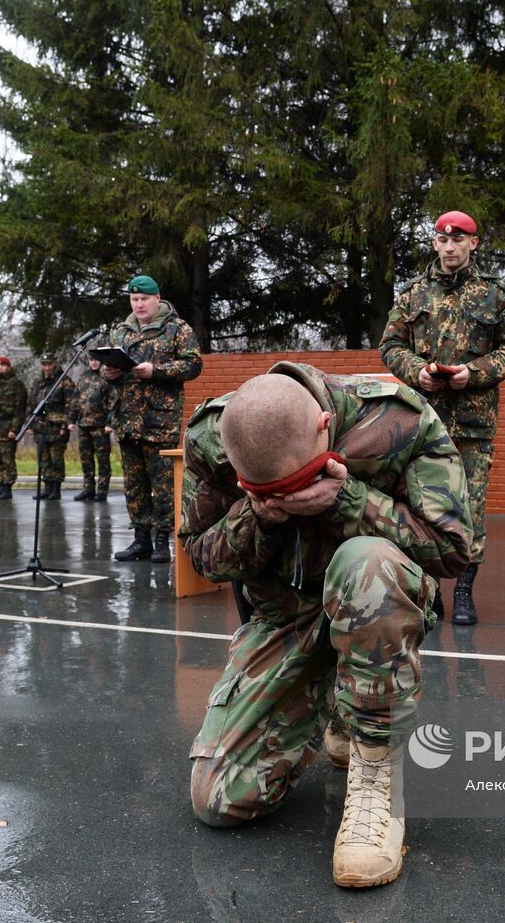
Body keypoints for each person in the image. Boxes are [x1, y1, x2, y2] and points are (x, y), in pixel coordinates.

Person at [181, 362, 470, 888]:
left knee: (368, 564)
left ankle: (376, 769)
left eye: (294, 482)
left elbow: (454, 550)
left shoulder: (394, 418)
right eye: (264, 488)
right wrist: (259, 516)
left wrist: (349, 500)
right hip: (283, 620)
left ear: (323, 425)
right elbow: (202, 557)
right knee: (220, 800)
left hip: (372, 605)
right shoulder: (210, 436)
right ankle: (335, 703)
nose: (284, 495)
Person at [379, 209, 505, 625]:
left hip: (474, 424)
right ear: (435, 243)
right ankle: (428, 592)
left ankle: (463, 592)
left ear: (473, 243)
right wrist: (416, 372)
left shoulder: (497, 294)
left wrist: (473, 374)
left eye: (458, 239)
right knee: (421, 507)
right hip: (423, 421)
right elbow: (390, 345)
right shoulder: (412, 294)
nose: (450, 246)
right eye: (443, 240)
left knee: (470, 509)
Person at [102, 275, 203, 562]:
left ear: (157, 298)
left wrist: (155, 370)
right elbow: (107, 369)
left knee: (162, 485)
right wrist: (108, 373)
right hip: (128, 420)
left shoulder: (176, 328)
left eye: (143, 299)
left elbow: (193, 365)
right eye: (134, 300)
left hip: (159, 421)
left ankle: (162, 541)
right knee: (134, 485)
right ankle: (140, 539)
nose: (139, 304)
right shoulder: (122, 331)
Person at [67, 355, 117, 502]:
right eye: (91, 360)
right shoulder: (83, 378)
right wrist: (71, 419)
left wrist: (110, 423)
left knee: (102, 460)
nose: (94, 362)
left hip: (100, 426)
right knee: (86, 459)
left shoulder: (107, 377)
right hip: (83, 425)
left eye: (96, 360)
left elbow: (113, 402)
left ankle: (102, 490)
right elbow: (76, 400)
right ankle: (88, 488)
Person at [29, 353, 76, 501]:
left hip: (57, 427)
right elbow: (31, 404)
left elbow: (71, 404)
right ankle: (47, 487)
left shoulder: (64, 381)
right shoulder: (38, 382)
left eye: (49, 364)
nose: (47, 367)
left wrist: (66, 424)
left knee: (56, 459)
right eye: (44, 365)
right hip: (41, 427)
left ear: (54, 364)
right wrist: (30, 424)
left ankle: (56, 489)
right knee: (44, 459)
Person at [0, 355, 27, 500]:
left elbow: (19, 409)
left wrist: (14, 429)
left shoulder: (16, 384)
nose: (0, 367)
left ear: (8, 367)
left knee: (7, 460)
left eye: (3, 365)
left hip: (6, 428)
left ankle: (7, 488)